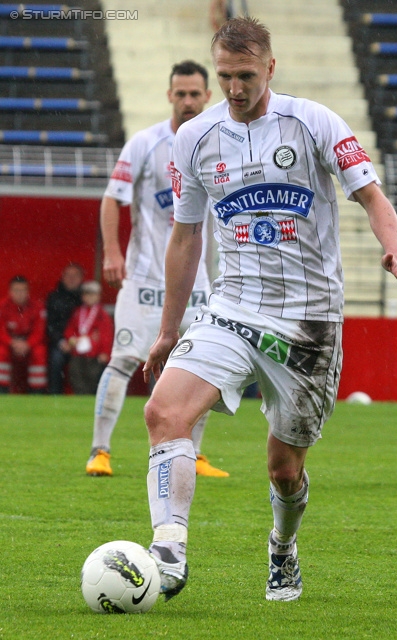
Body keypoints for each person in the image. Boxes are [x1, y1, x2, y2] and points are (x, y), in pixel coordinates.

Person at [141, 16, 397, 603]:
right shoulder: (195, 138)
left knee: (283, 468)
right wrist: (169, 331)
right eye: (224, 77)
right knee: (165, 413)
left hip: (309, 322)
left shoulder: (313, 122)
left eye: (245, 75)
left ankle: (282, 548)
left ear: (270, 67)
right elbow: (185, 236)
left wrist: (392, 245)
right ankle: (167, 552)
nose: (234, 89)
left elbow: (372, 196)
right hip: (231, 308)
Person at [85, 60, 229, 478]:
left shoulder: (221, 144)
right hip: (146, 277)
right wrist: (112, 252)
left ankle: (195, 454)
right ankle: (100, 450)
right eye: (180, 93)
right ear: (170, 95)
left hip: (198, 281)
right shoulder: (145, 143)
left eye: (194, 94)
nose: (187, 101)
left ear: (207, 96)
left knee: (202, 364)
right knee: (124, 359)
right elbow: (112, 198)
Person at [61, 280, 113, 394]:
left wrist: (105, 352)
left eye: (92, 294)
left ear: (98, 296)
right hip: (77, 353)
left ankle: (90, 397)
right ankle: (80, 396)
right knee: (76, 374)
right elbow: (70, 329)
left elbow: (106, 335)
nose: (89, 297)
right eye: (86, 294)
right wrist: (71, 339)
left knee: (93, 377)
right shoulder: (78, 312)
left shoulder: (102, 315)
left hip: (95, 355)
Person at [0, 275, 47, 393]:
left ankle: (37, 393)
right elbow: (1, 331)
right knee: (1, 352)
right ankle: (2, 391)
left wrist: (28, 344)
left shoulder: (37, 306)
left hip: (29, 343)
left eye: (23, 290)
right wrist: (11, 342)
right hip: (9, 342)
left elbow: (39, 331)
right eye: (16, 290)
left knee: (39, 352)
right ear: (10, 292)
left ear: (28, 291)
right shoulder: (2, 306)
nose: (20, 294)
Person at [46, 263, 84, 394]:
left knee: (92, 361)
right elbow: (50, 325)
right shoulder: (53, 298)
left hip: (83, 343)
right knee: (56, 359)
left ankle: (87, 395)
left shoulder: (87, 299)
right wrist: (62, 342)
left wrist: (81, 341)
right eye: (68, 275)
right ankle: (55, 395)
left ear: (81, 278)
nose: (72, 279)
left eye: (75, 276)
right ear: (62, 277)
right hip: (61, 343)